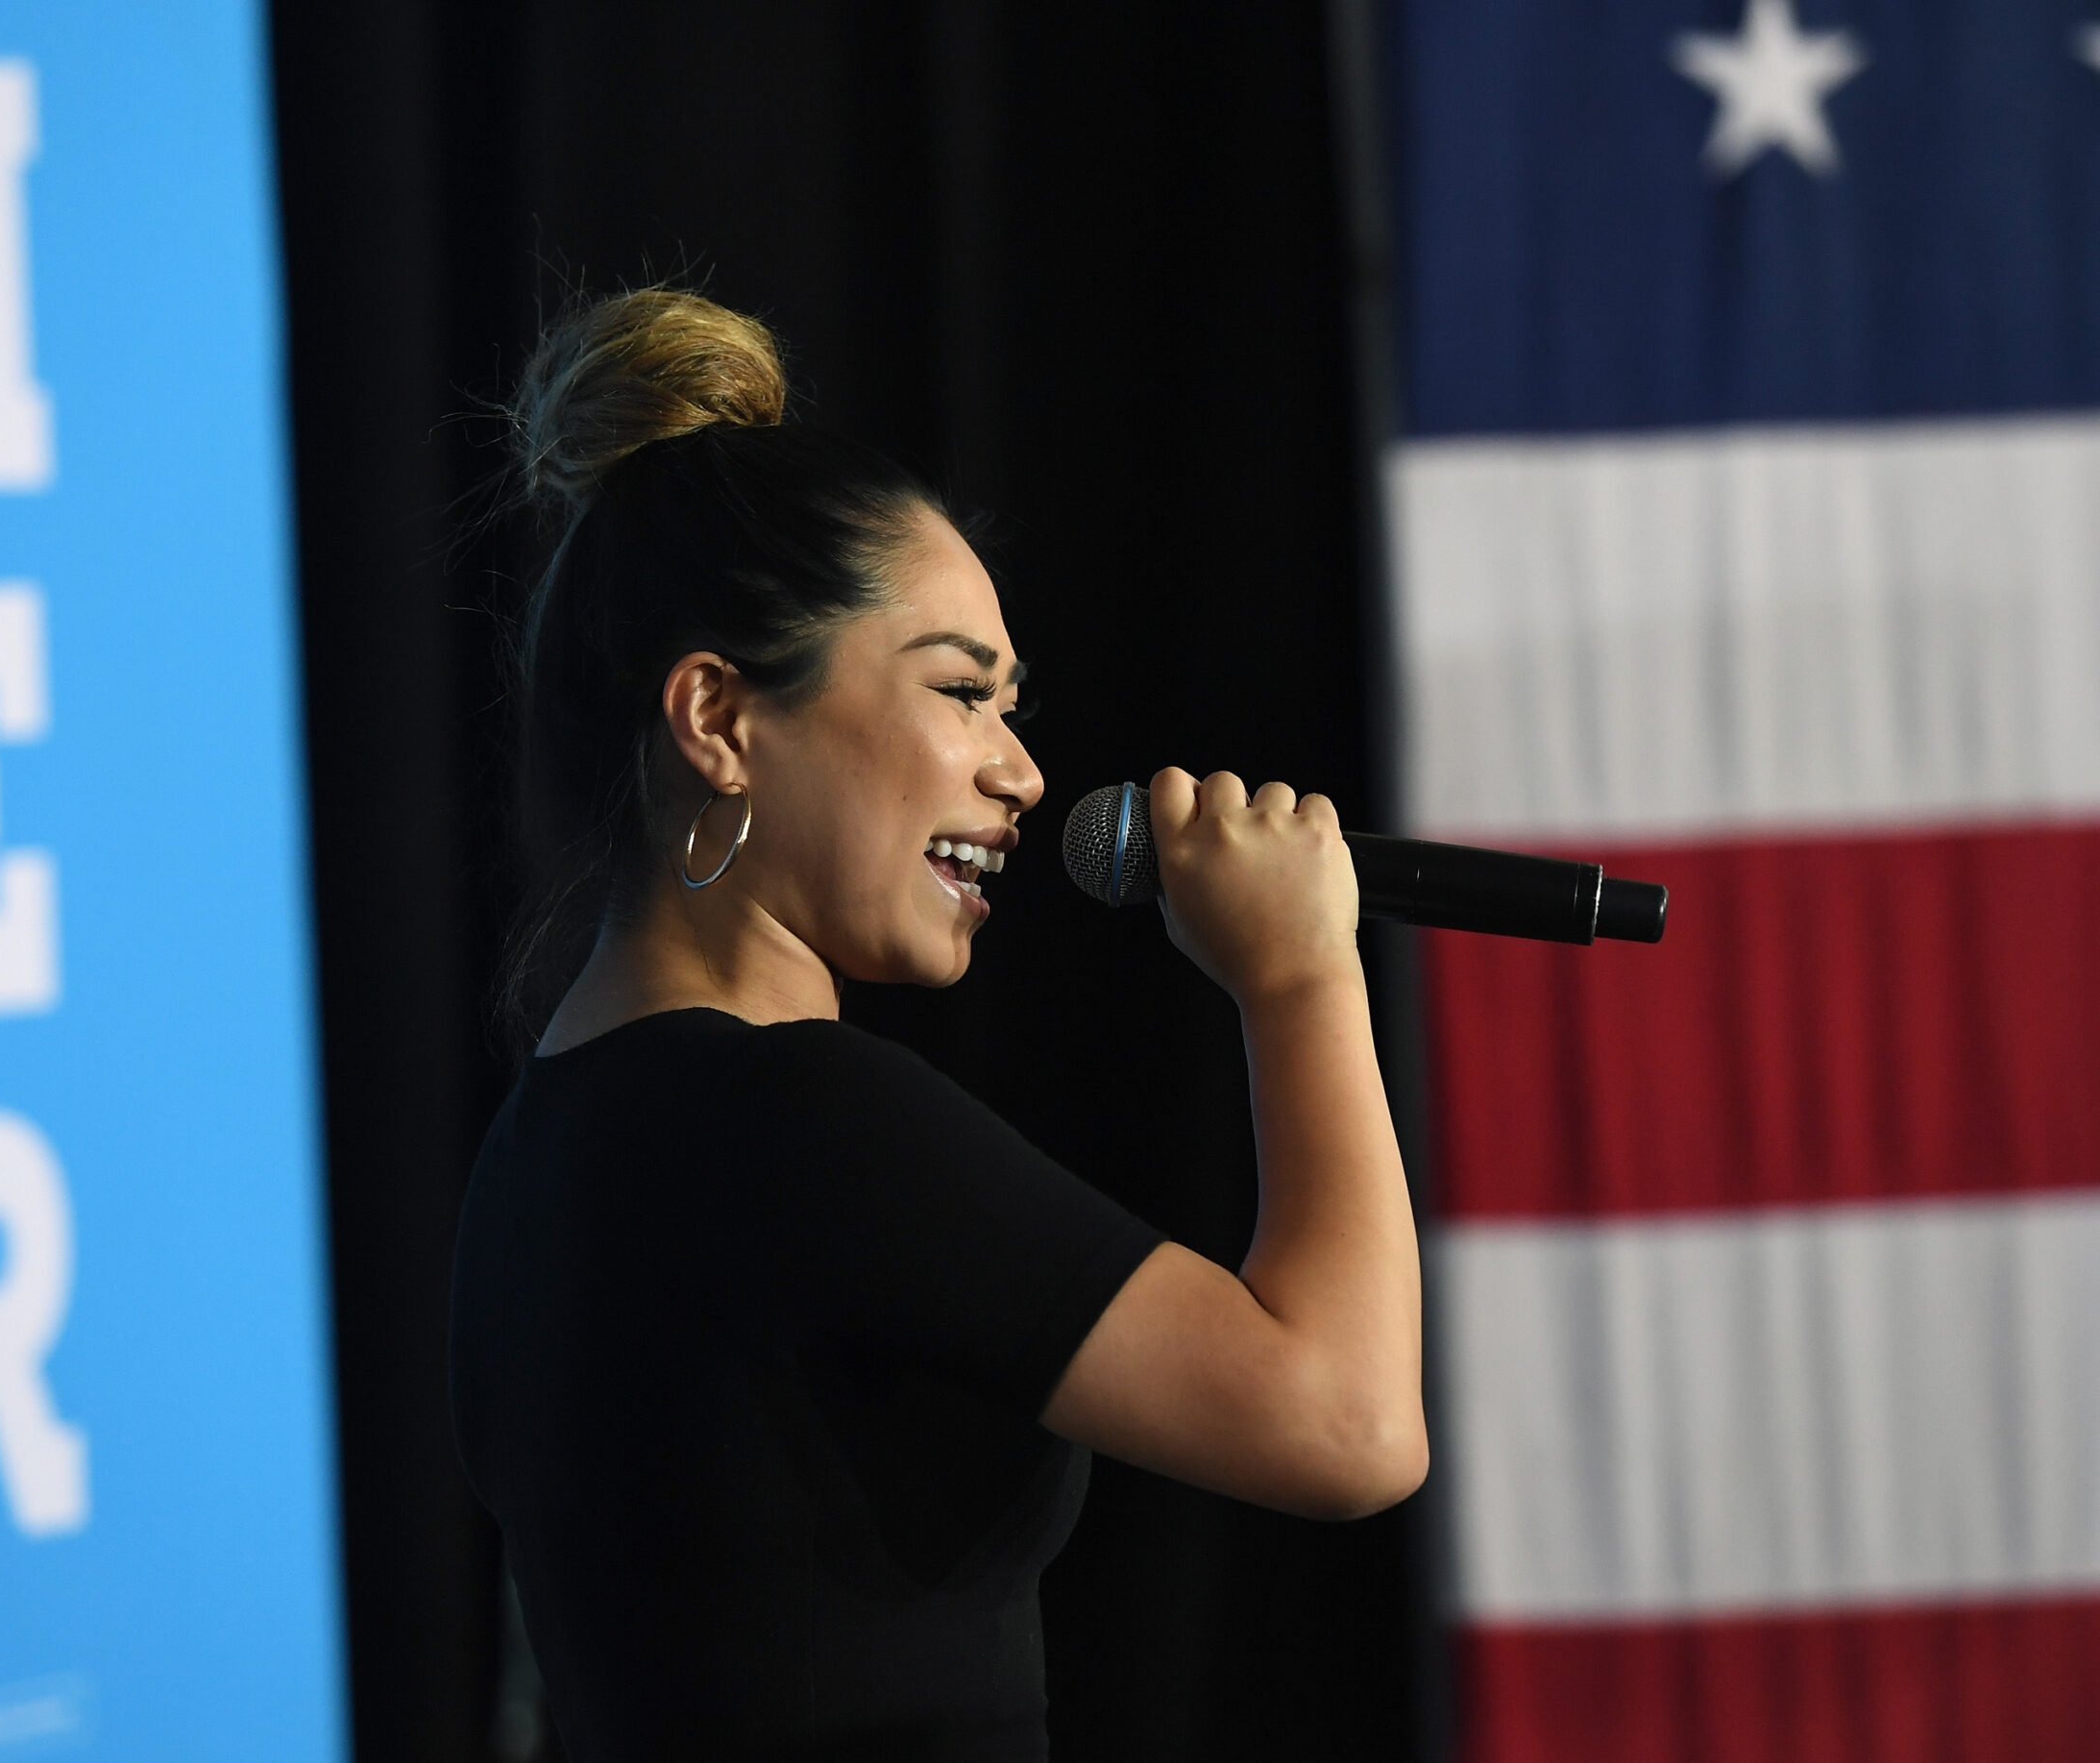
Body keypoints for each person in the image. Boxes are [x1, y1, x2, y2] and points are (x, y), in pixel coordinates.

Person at [449, 288, 1425, 1761]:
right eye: (962, 692)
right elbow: (1346, 1425)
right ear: (718, 720)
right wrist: (1300, 979)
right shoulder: (796, 1118)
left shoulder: (543, 1143)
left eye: (1011, 705)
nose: (1021, 771)